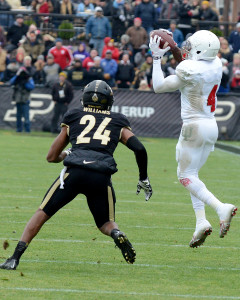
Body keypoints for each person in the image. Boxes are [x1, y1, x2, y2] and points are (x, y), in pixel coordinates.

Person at [0, 79, 153, 270]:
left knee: (42, 213)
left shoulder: (74, 116)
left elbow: (51, 156)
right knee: (106, 222)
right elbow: (139, 149)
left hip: (74, 173)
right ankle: (116, 234)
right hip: (100, 176)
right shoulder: (118, 120)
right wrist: (143, 177)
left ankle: (14, 258)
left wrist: (66, 154)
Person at [150, 30, 237, 248]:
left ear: (199, 50)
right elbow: (191, 61)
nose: (187, 48)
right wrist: (175, 49)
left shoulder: (189, 70)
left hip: (193, 127)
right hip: (210, 126)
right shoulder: (216, 64)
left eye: (191, 45)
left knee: (184, 176)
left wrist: (157, 57)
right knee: (192, 175)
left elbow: (158, 86)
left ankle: (220, 207)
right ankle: (201, 222)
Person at [10, 66, 35, 133]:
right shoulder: (17, 78)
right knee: (18, 116)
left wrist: (25, 82)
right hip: (18, 100)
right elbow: (11, 82)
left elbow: (32, 87)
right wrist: (17, 75)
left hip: (25, 100)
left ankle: (27, 130)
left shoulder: (28, 78)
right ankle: (19, 130)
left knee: (26, 117)